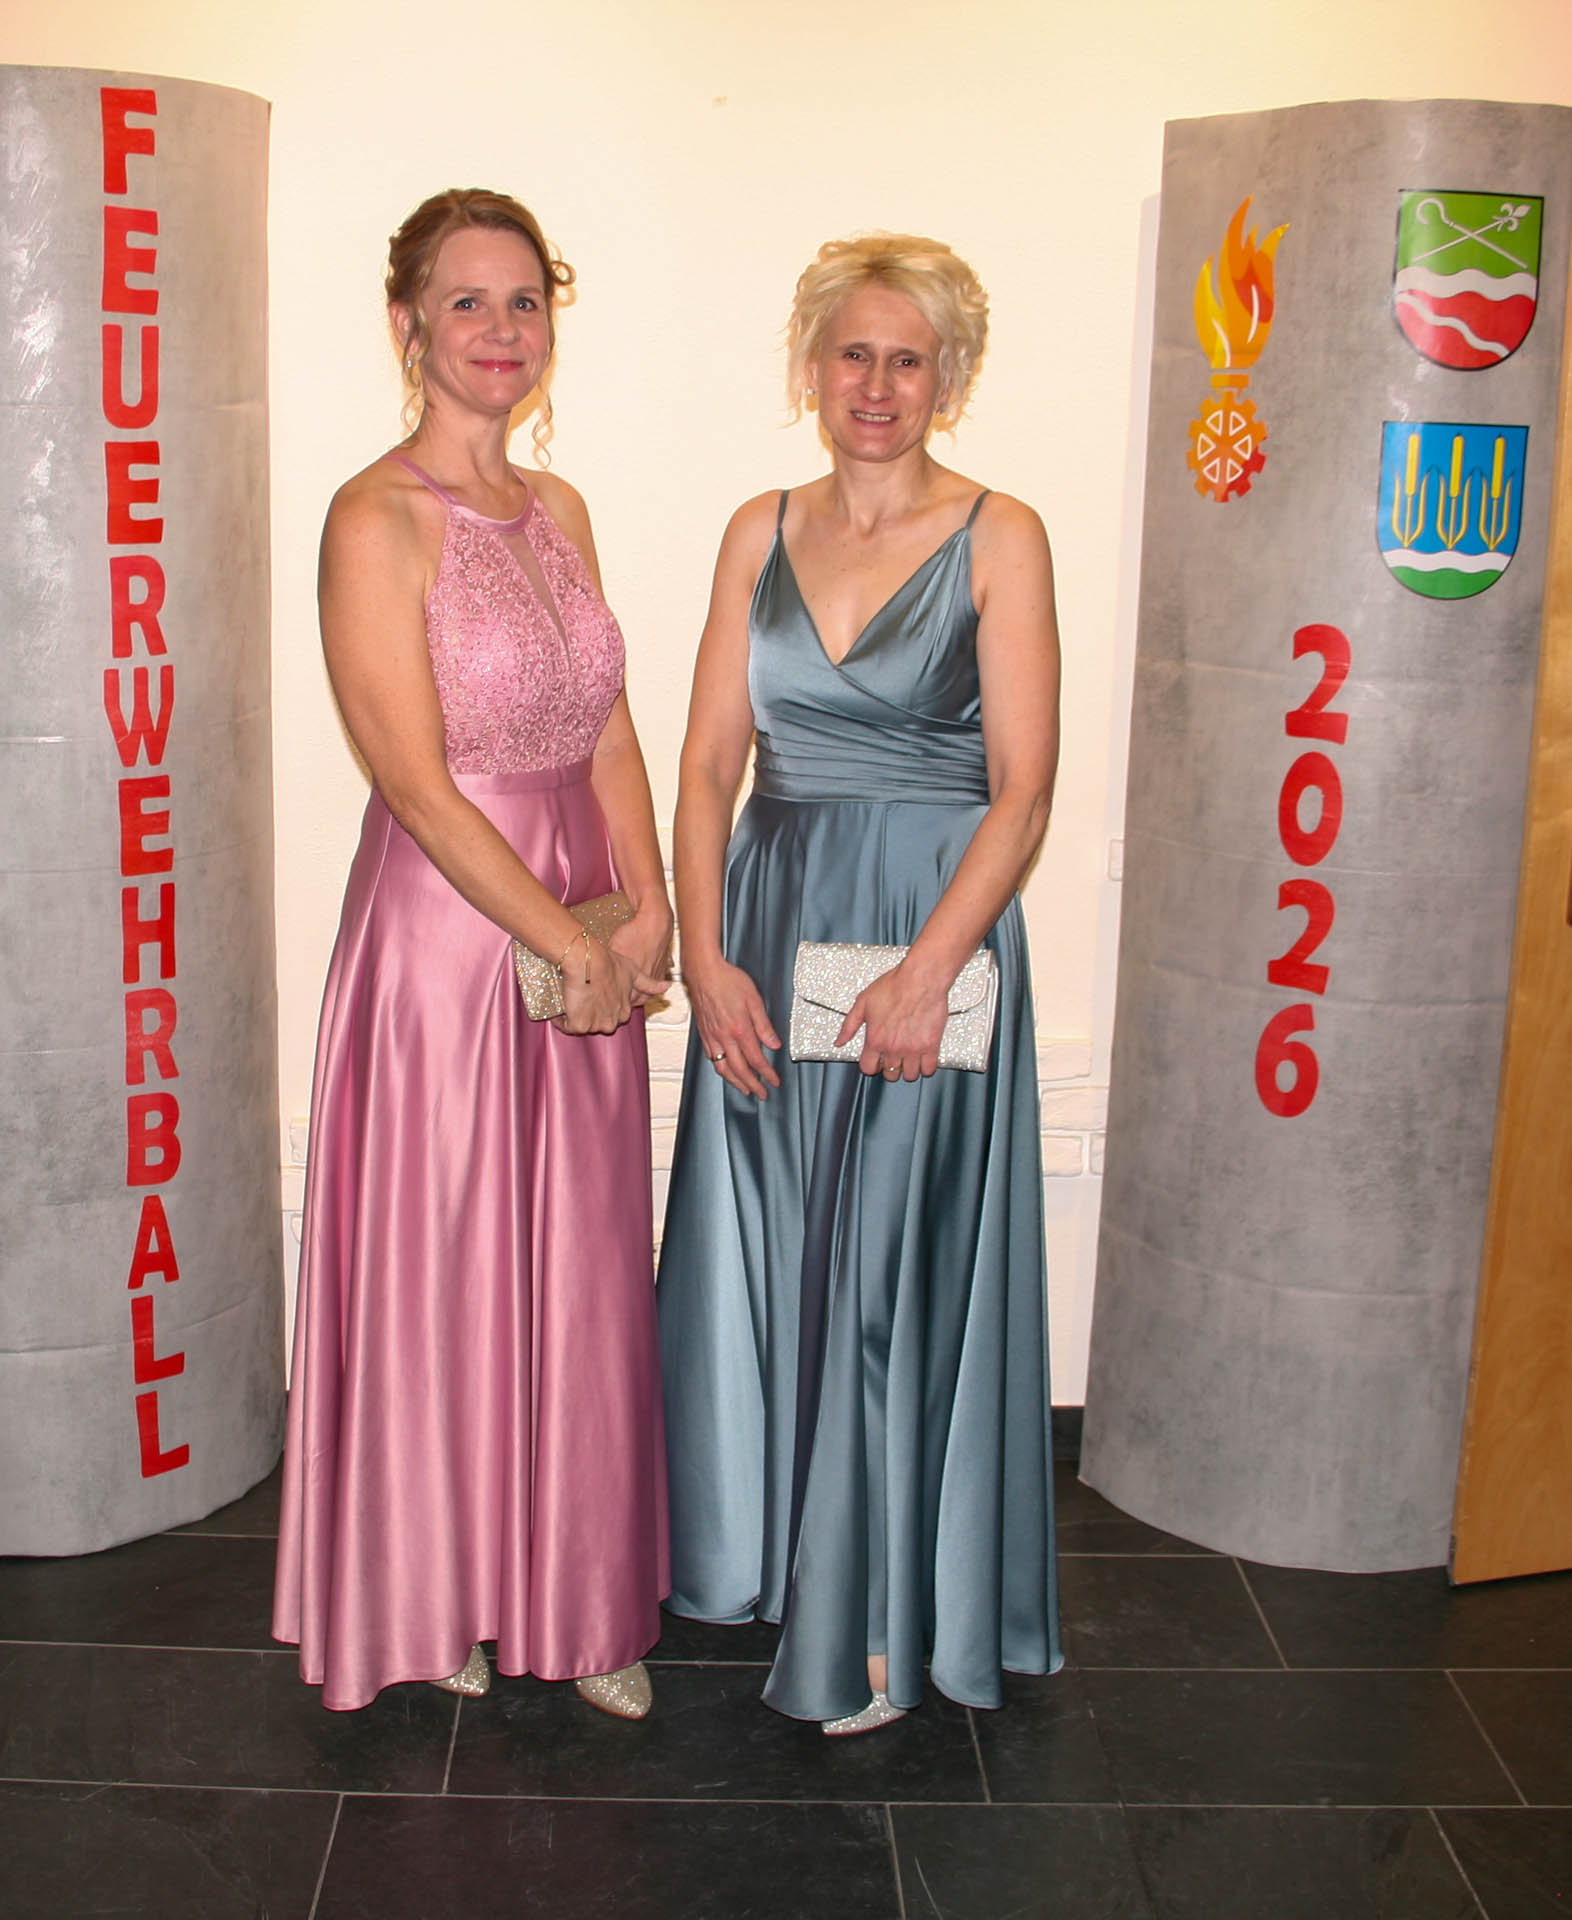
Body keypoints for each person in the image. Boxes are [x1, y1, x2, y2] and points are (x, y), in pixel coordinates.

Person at [656, 233, 1062, 1733]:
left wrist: (929, 971)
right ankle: (772, 1557)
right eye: (854, 354)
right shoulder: (755, 529)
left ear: (948, 376)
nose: (877, 385)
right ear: (811, 367)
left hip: (927, 926)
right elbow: (707, 764)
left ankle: (884, 1617)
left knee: (893, 1263)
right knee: (779, 1239)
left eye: (908, 359)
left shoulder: (1000, 535)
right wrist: (705, 956)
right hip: (769, 921)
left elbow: (1024, 790)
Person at [272, 189, 670, 1717]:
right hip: (446, 941)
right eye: (467, 302)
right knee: (443, 1265)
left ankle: (578, 1599)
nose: (501, 331)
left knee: (575, 1270)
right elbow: (418, 783)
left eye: (525, 302)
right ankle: (429, 1589)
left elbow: (609, 725)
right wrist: (566, 932)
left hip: (585, 925)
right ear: (408, 325)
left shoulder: (561, 507)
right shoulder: (372, 517)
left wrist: (648, 908)